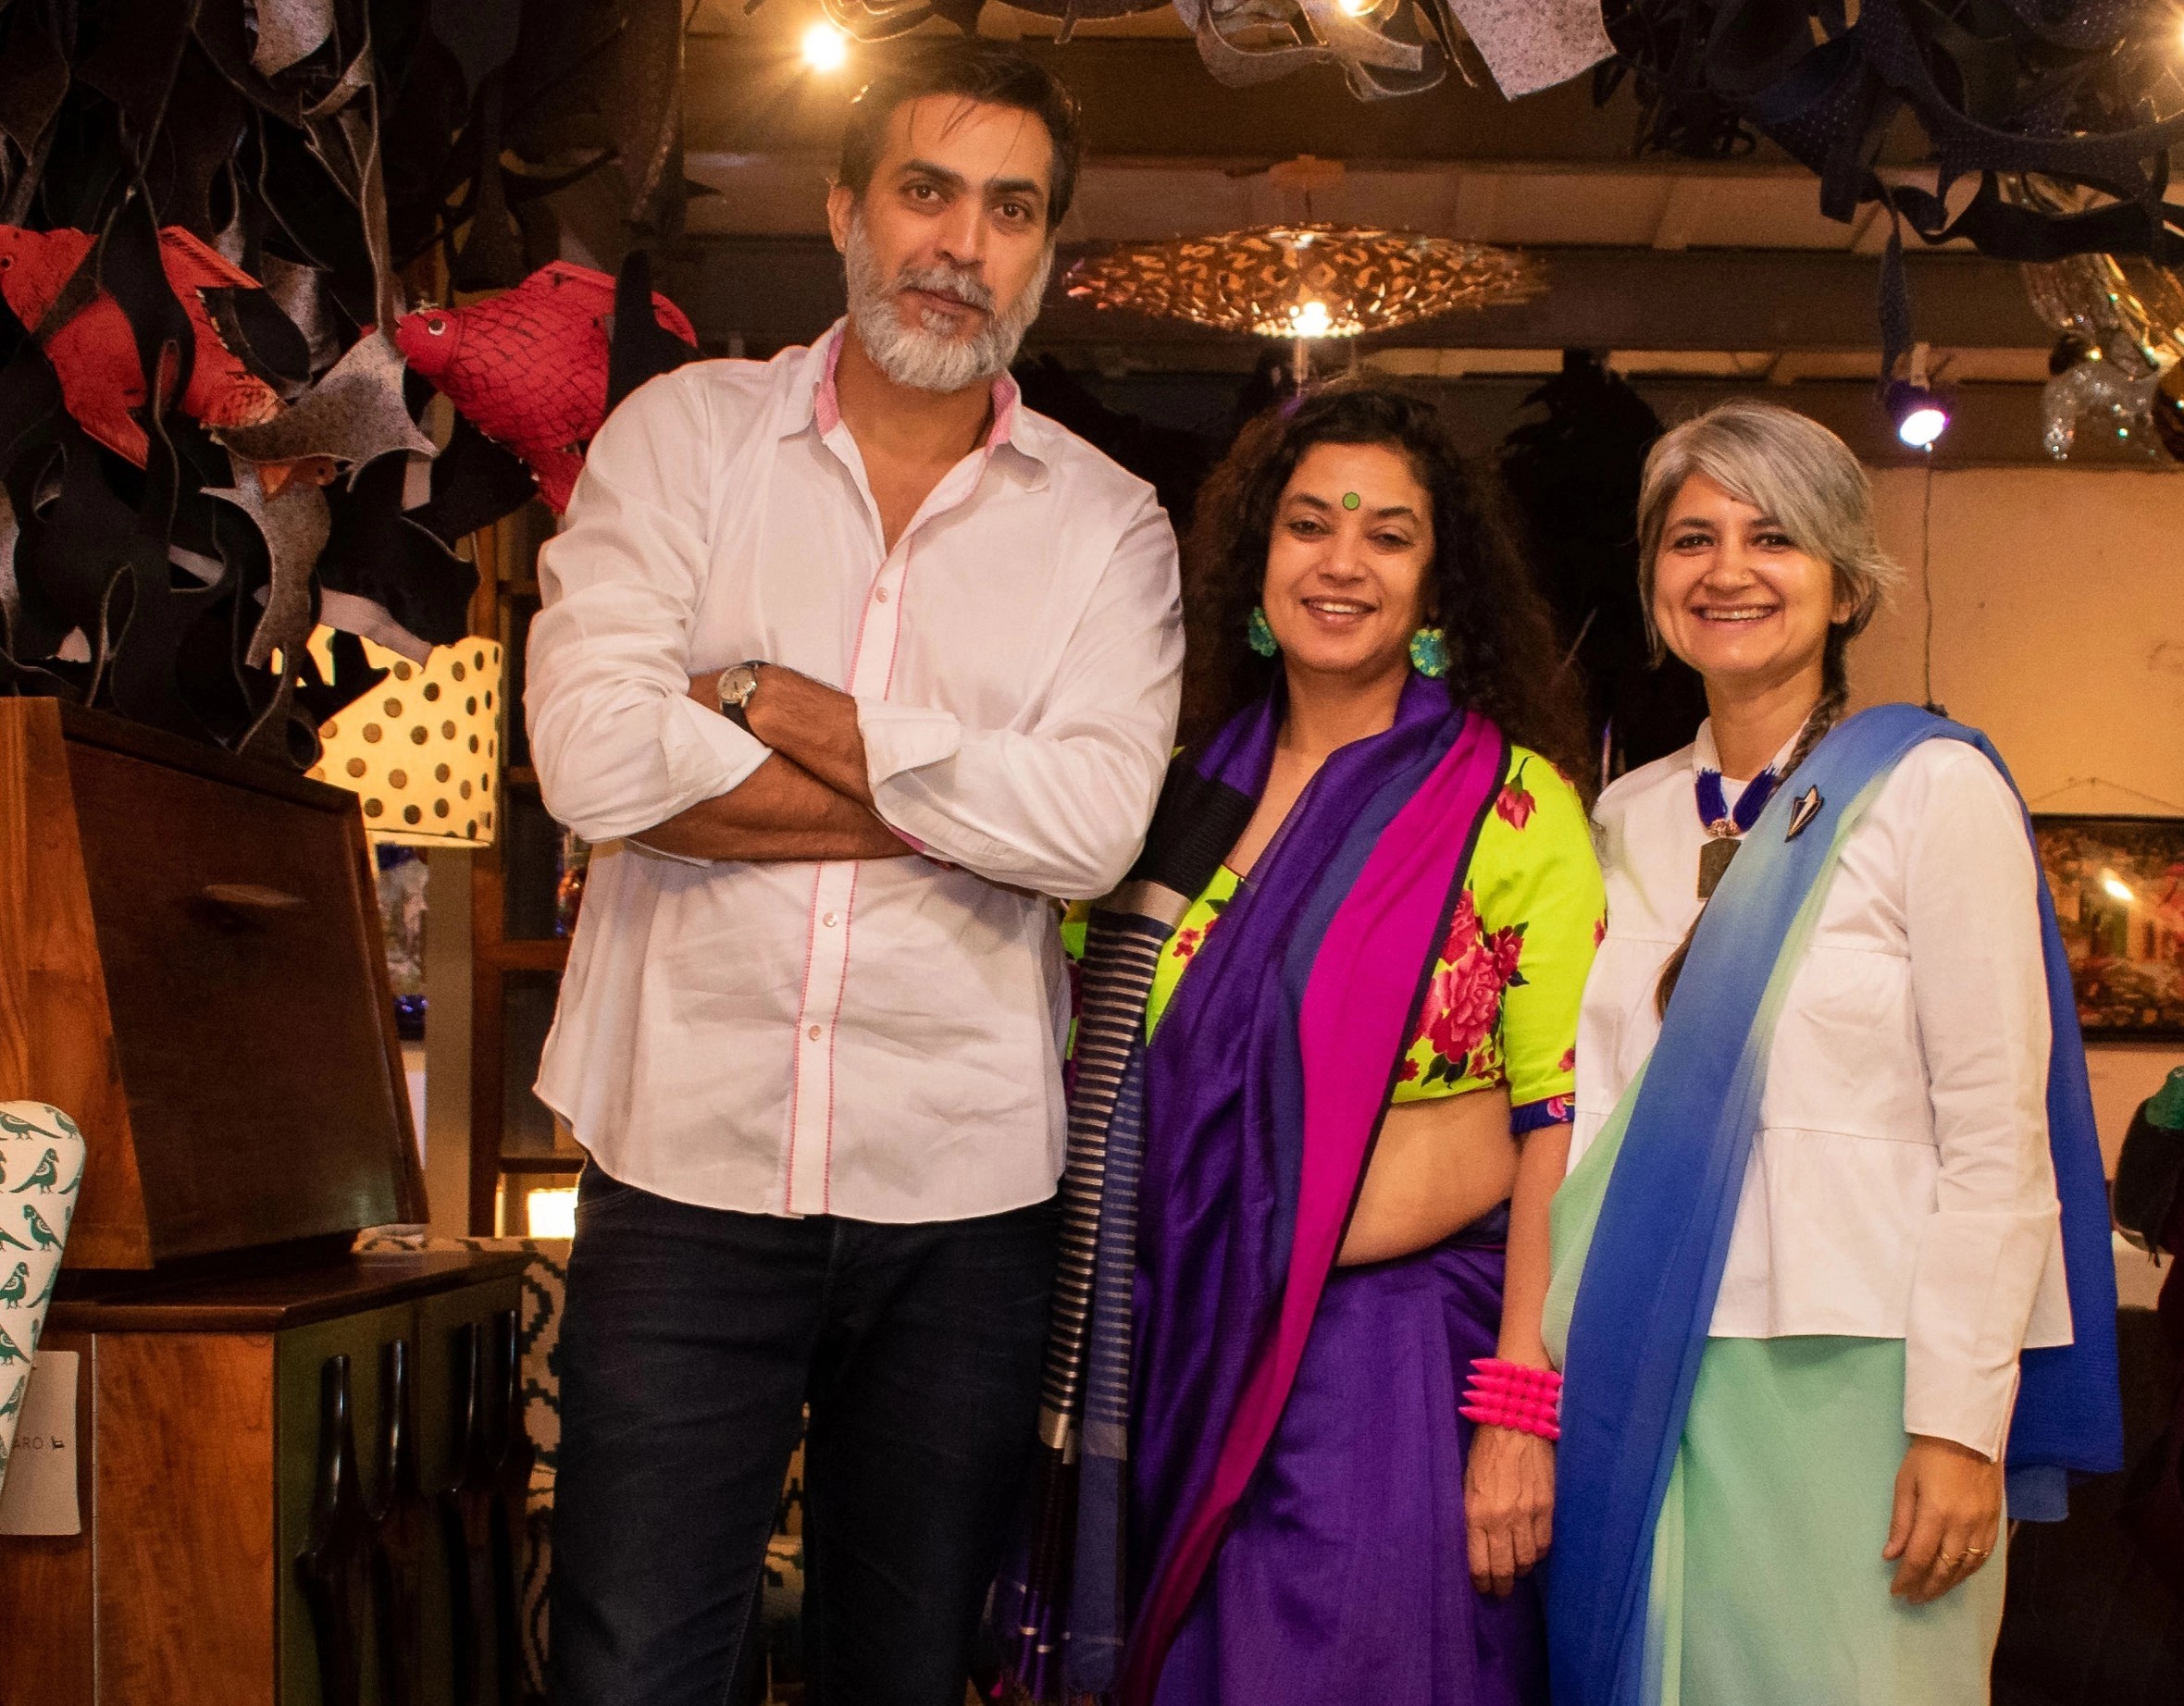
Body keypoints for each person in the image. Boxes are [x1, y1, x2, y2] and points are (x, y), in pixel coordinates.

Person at [523, 39, 1184, 1706]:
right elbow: (593, 765)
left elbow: (1093, 833)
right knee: (631, 1668)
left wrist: (761, 700)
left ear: (1049, 254)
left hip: (962, 1195)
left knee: (904, 1672)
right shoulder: (683, 441)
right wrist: (968, 794)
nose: (960, 242)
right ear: (843, 209)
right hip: (684, 1167)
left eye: (1010, 208)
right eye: (925, 190)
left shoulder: (1108, 530)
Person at [998, 384, 1604, 1706]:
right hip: (1165, 1352)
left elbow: (1560, 1117)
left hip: (1386, 1375)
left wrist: (1516, 1408)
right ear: (1253, 562)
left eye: (1388, 535)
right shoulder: (1160, 801)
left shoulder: (1509, 807)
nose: (1342, 562)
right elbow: (1073, 1060)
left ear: (1437, 583)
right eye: (1309, 525)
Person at [1542, 402, 2121, 1706]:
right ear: (1652, 583)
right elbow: (1582, 1122)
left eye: (1775, 538)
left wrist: (1959, 1428)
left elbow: (1996, 1138)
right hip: (1643, 1363)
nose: (1728, 570)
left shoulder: (1930, 792)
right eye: (1691, 539)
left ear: (1845, 581)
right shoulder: (1618, 820)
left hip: (1859, 1375)